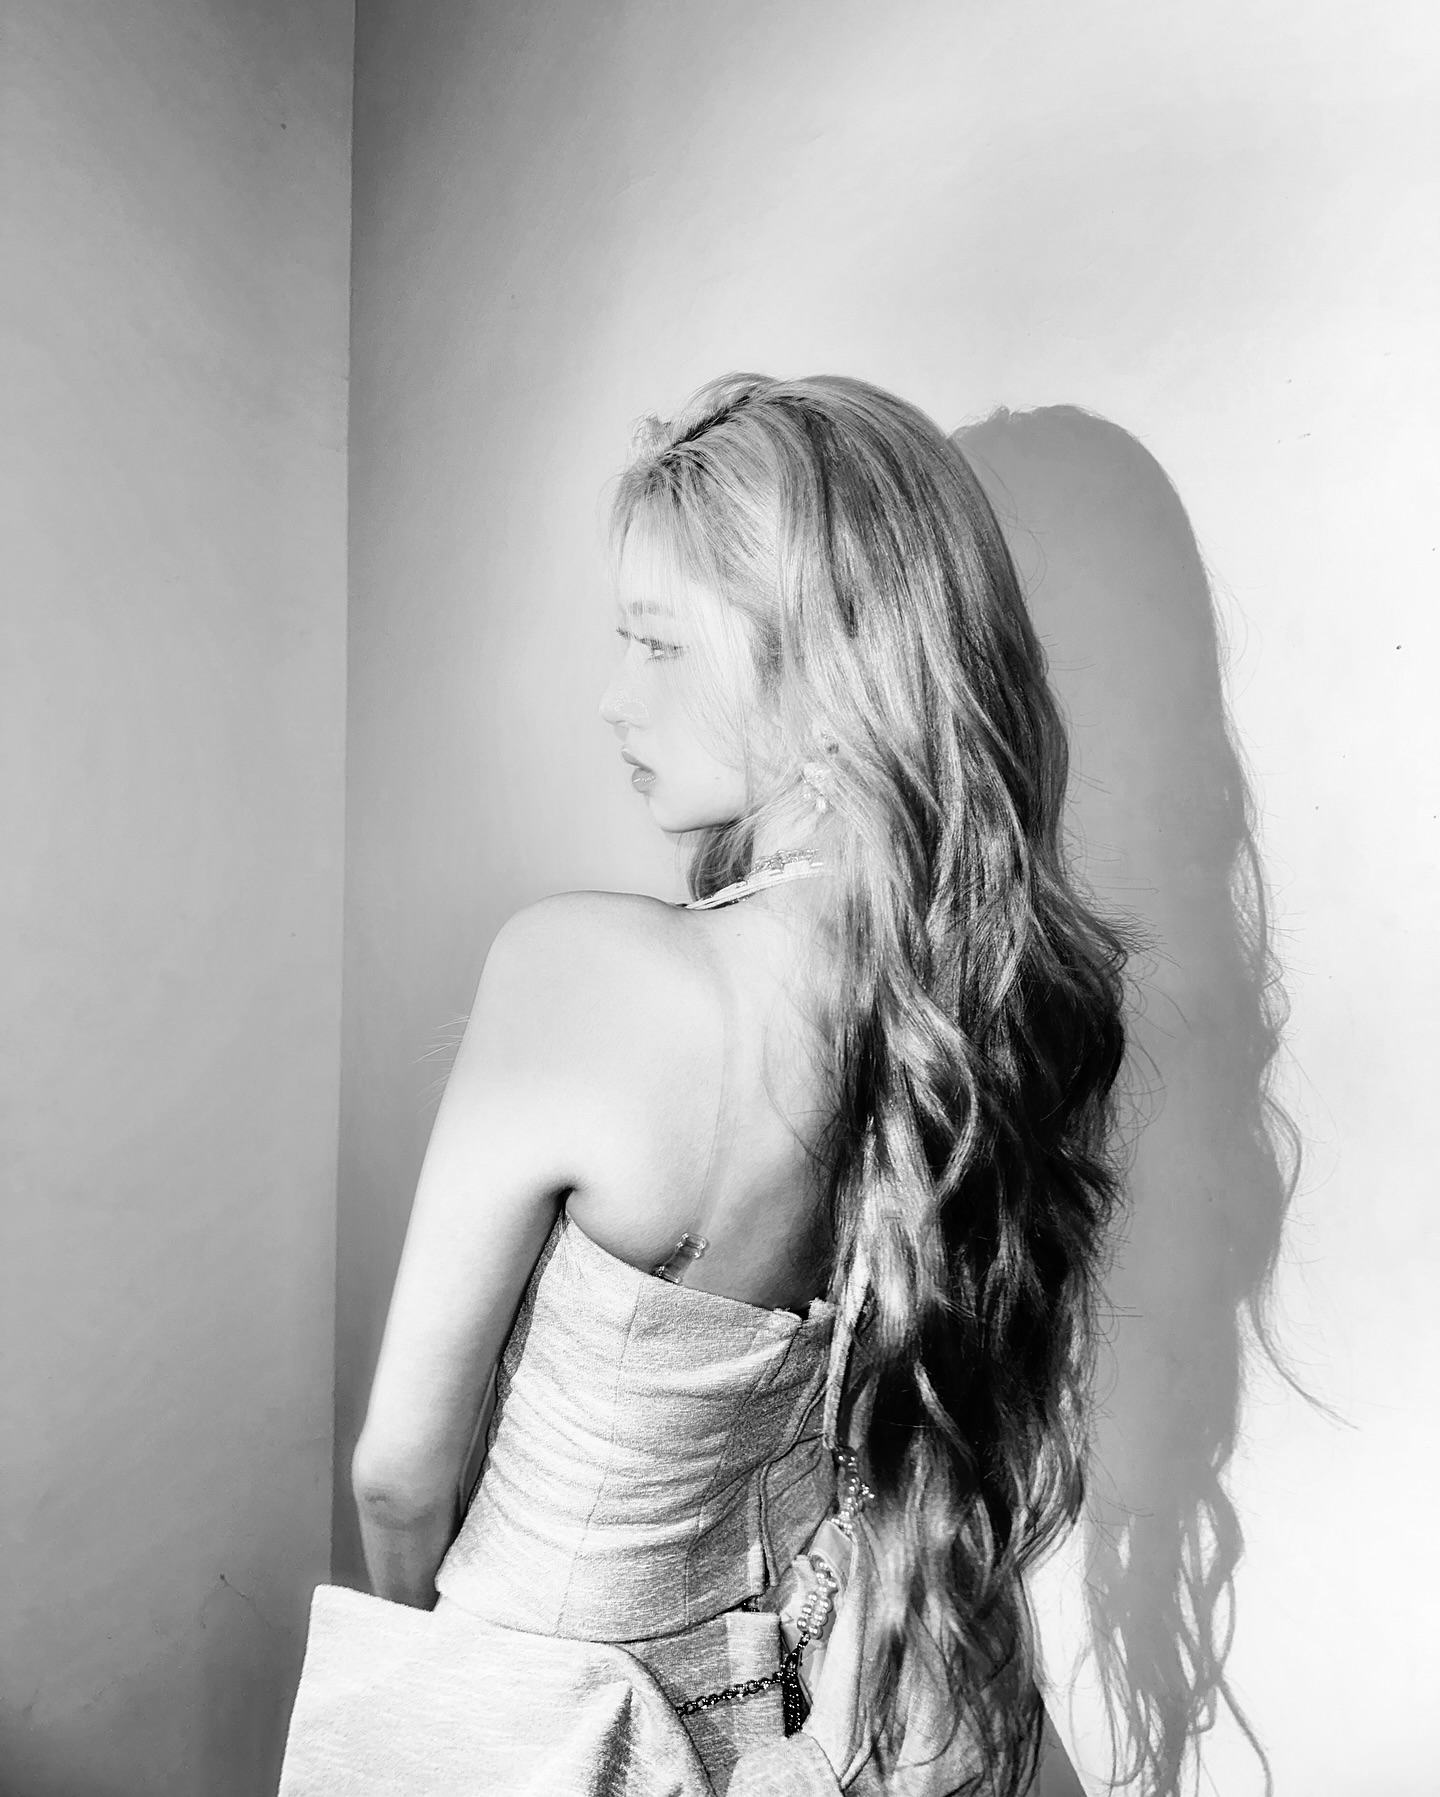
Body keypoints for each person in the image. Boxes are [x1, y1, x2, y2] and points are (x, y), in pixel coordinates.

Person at [276, 374, 1130, 1797]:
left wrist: (447, 1691)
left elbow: (397, 1473)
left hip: (539, 1721)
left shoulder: (583, 973)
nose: (615, 697)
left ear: (835, 671)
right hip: (766, 1730)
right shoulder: (968, 1016)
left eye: (659, 642)